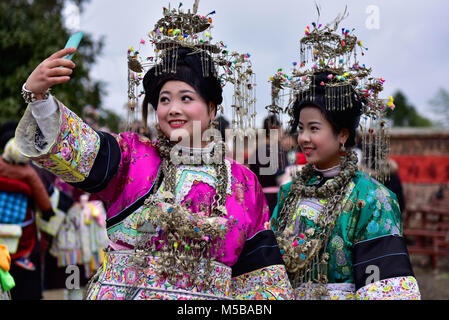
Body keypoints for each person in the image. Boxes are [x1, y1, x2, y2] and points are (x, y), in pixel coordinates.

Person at [15, 5, 292, 300]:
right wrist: (39, 99)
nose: (173, 109)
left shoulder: (243, 183)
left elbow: (261, 279)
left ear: (212, 109)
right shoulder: (133, 157)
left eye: (186, 98)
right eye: (164, 99)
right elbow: (78, 148)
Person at [270, 17, 420, 300]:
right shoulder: (289, 194)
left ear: (342, 134)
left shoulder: (373, 198)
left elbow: (385, 289)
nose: (303, 138)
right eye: (300, 128)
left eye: (314, 129)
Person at [0, 137, 55, 299]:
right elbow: (42, 196)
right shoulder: (29, 173)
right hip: (21, 227)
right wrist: (47, 212)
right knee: (21, 256)